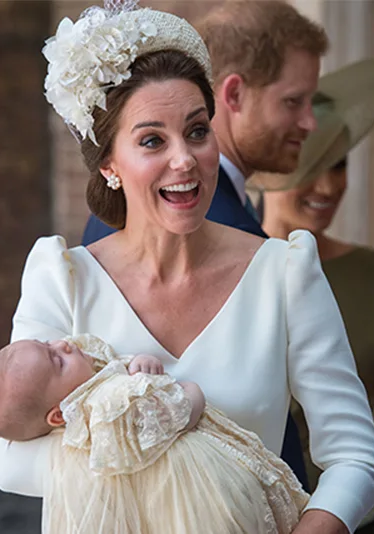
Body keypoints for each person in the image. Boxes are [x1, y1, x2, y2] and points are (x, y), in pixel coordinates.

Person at [0, 4, 374, 534]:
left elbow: (356, 456)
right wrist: (160, 436)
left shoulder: (285, 273)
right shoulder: (61, 276)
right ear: (109, 165)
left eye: (197, 131)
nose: (185, 159)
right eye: (152, 140)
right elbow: (9, 460)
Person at [79, 0, 331, 489]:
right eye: (294, 101)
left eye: (197, 131)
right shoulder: (186, 214)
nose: (309, 123)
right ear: (233, 93)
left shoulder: (266, 245)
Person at [0, 334, 308, 534]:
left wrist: (137, 365)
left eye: (47, 343)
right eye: (57, 360)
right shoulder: (106, 412)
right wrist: (191, 391)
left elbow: (116, 371)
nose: (63, 343)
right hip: (201, 505)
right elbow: (178, 415)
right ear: (57, 414)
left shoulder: (90, 388)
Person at [256, 59, 374, 489]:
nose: (328, 187)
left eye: (339, 164)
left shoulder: (373, 273)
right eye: (311, 164)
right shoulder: (235, 271)